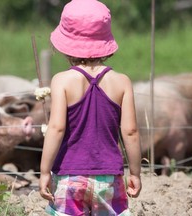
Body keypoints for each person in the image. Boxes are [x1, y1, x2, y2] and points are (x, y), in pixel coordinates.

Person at [39, 0, 142, 215]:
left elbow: (56, 128)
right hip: (109, 177)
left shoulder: (62, 81)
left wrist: (44, 171)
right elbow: (130, 132)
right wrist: (135, 172)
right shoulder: (122, 82)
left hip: (69, 176)